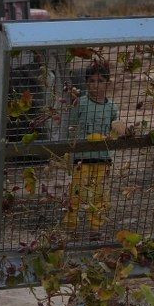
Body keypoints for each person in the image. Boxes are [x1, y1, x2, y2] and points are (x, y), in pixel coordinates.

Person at [64, 60, 118, 235]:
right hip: (82, 159)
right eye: (92, 81)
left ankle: (95, 228)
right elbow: (71, 128)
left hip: (103, 159)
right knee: (77, 193)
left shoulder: (112, 107)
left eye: (100, 81)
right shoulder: (80, 103)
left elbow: (116, 127)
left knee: (100, 194)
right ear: (86, 83)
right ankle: (71, 225)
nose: (96, 85)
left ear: (107, 84)